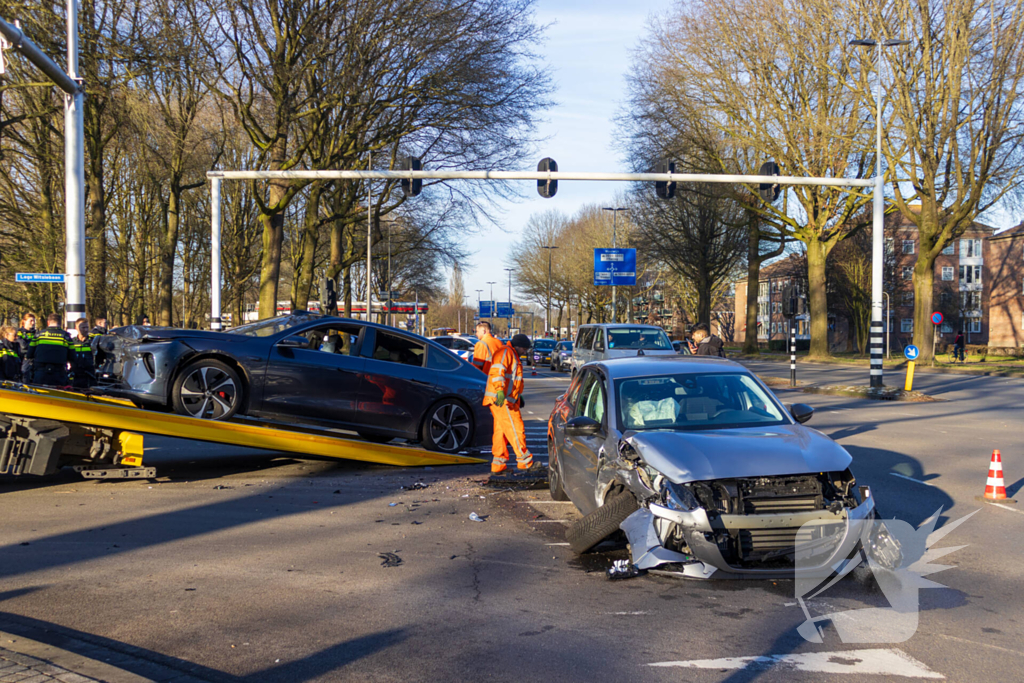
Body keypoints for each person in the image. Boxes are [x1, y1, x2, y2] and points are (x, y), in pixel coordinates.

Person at [484, 334, 540, 475]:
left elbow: (511, 379)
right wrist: (499, 391)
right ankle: (525, 462)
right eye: (525, 349)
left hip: (504, 399)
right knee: (515, 428)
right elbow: (497, 372)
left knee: (501, 433)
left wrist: (517, 396)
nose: (525, 352)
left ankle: (498, 465)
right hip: (502, 400)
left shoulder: (510, 353)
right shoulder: (506, 352)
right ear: (519, 346)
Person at [26, 313, 74, 386]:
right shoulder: (66, 337)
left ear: (48, 322)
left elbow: (29, 354)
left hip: (40, 373)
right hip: (59, 374)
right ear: (60, 323)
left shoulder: (38, 335)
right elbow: (73, 357)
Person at [70, 319, 96, 389]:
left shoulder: (93, 341)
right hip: (76, 375)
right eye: (83, 327)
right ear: (76, 328)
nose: (86, 330)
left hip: (90, 375)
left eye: (87, 327)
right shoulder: (72, 342)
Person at [17, 312, 36, 377]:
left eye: (34, 321)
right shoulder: (19, 332)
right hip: (24, 359)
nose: (33, 323)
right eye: (31, 321)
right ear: (24, 321)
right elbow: (23, 346)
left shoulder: (36, 333)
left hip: (35, 360)